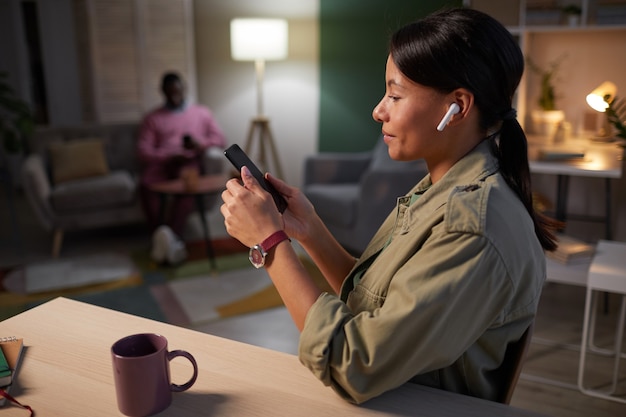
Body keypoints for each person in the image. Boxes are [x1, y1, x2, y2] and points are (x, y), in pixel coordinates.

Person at [221, 8, 559, 404]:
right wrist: (308, 230)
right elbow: (372, 304)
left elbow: (353, 364)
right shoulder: (442, 189)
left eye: (395, 95)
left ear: (458, 107)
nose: (379, 110)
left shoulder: (470, 228)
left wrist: (271, 243)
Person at [138, 72, 226, 263]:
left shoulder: (201, 113)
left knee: (187, 189)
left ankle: (171, 239)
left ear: (184, 89)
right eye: (170, 93)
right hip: (163, 163)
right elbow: (143, 150)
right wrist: (166, 155)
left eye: (177, 91)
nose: (174, 96)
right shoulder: (153, 118)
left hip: (189, 163)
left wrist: (199, 144)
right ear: (163, 92)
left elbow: (220, 139)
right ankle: (160, 236)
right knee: (146, 187)